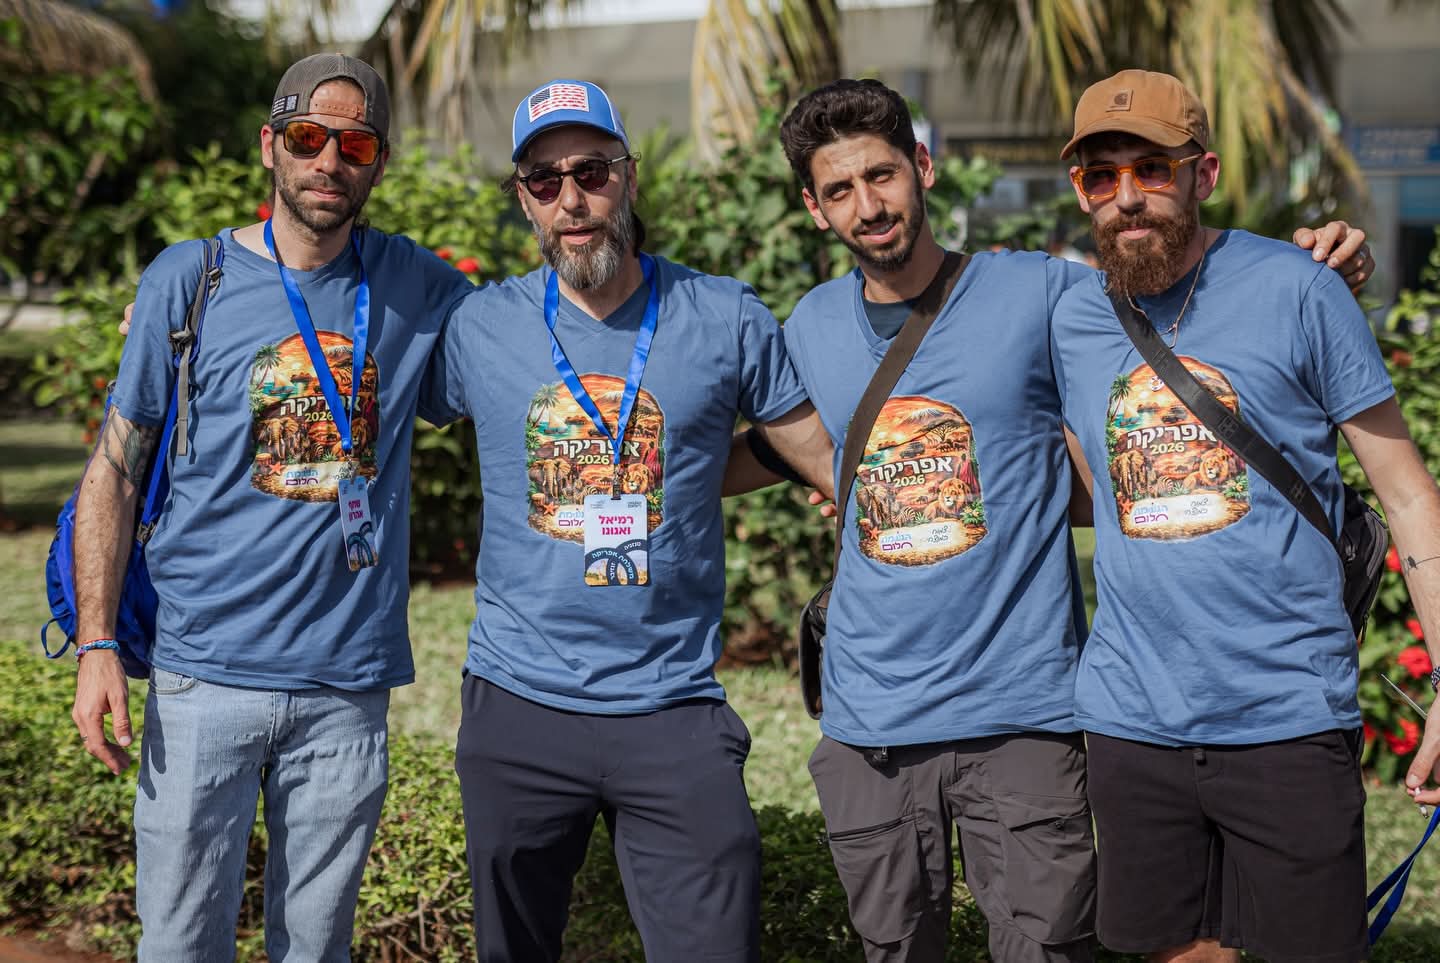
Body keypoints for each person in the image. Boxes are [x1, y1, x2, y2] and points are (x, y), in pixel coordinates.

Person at [771, 77, 1371, 963]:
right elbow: (771, 439)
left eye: (883, 175)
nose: (869, 205)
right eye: (840, 189)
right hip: (872, 722)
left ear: (923, 168)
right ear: (814, 208)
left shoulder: (1042, 292)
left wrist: (1324, 261)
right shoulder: (809, 324)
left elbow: (1173, 273)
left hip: (1024, 709)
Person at [418, 79, 833, 962]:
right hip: (519, 700)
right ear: (524, 199)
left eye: (592, 171)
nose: (571, 199)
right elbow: (364, 407)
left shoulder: (723, 315)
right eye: (544, 180)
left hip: (671, 699)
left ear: (629, 177)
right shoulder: (479, 328)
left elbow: (816, 452)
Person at [70, 53, 474, 960]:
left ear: (379, 162)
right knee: (179, 943)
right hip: (202, 675)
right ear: (270, 146)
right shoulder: (192, 277)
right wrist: (97, 646)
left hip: (346, 687)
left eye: (355, 144)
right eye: (307, 137)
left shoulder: (416, 285)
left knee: (317, 947)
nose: (329, 160)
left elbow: (529, 344)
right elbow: (116, 470)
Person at [1050, 68, 1440, 963]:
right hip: (1132, 719)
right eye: (1101, 176)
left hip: (1287, 713)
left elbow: (1408, 493)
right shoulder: (1070, 316)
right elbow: (1095, 485)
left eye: (1152, 168)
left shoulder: (1301, 288)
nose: (1126, 197)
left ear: (1205, 173)